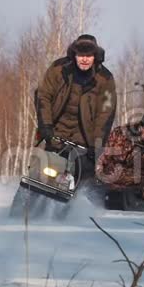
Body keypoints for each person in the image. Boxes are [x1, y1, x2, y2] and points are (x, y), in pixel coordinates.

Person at [34, 34, 117, 182]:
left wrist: (96, 146)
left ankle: (79, 203)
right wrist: (45, 126)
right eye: (81, 55)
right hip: (56, 134)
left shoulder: (105, 79)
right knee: (40, 175)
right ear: (74, 55)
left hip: (85, 141)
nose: (84, 59)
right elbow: (43, 96)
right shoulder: (58, 69)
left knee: (83, 180)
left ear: (95, 56)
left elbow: (105, 116)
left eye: (89, 55)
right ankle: (25, 202)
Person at [95, 113, 144, 202]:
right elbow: (105, 156)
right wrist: (100, 173)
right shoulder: (123, 137)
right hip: (109, 186)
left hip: (135, 192)